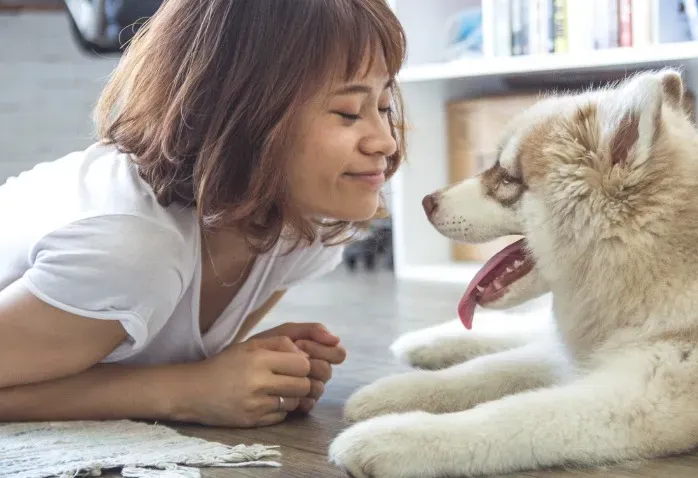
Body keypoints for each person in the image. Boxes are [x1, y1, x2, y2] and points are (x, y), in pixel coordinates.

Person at [0, 0, 406, 428]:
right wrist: (184, 391)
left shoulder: (301, 230)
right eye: (347, 112)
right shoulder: (129, 249)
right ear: (240, 111)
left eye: (383, 106)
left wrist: (244, 368)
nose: (386, 142)